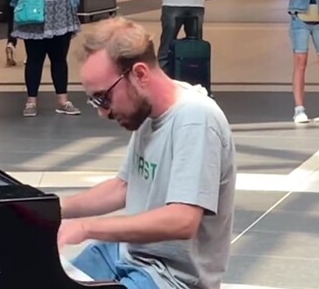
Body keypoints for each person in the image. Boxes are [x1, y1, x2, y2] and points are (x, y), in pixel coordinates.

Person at [59, 17, 236, 289]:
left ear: (140, 74)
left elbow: (182, 220)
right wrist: (51, 209)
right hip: (128, 253)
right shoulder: (149, 114)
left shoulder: (196, 119)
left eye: (103, 97)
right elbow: (124, 186)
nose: (101, 111)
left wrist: (86, 228)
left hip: (171, 275)